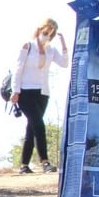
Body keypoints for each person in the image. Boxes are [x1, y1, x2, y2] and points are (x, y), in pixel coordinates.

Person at [9, 19, 69, 174]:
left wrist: (63, 44)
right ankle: (45, 161)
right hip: (26, 92)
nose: (47, 36)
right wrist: (15, 91)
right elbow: (18, 68)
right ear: (39, 30)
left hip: (43, 93)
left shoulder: (51, 50)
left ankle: (24, 164)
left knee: (32, 127)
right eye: (45, 32)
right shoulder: (28, 46)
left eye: (51, 34)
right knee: (39, 125)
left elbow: (64, 63)